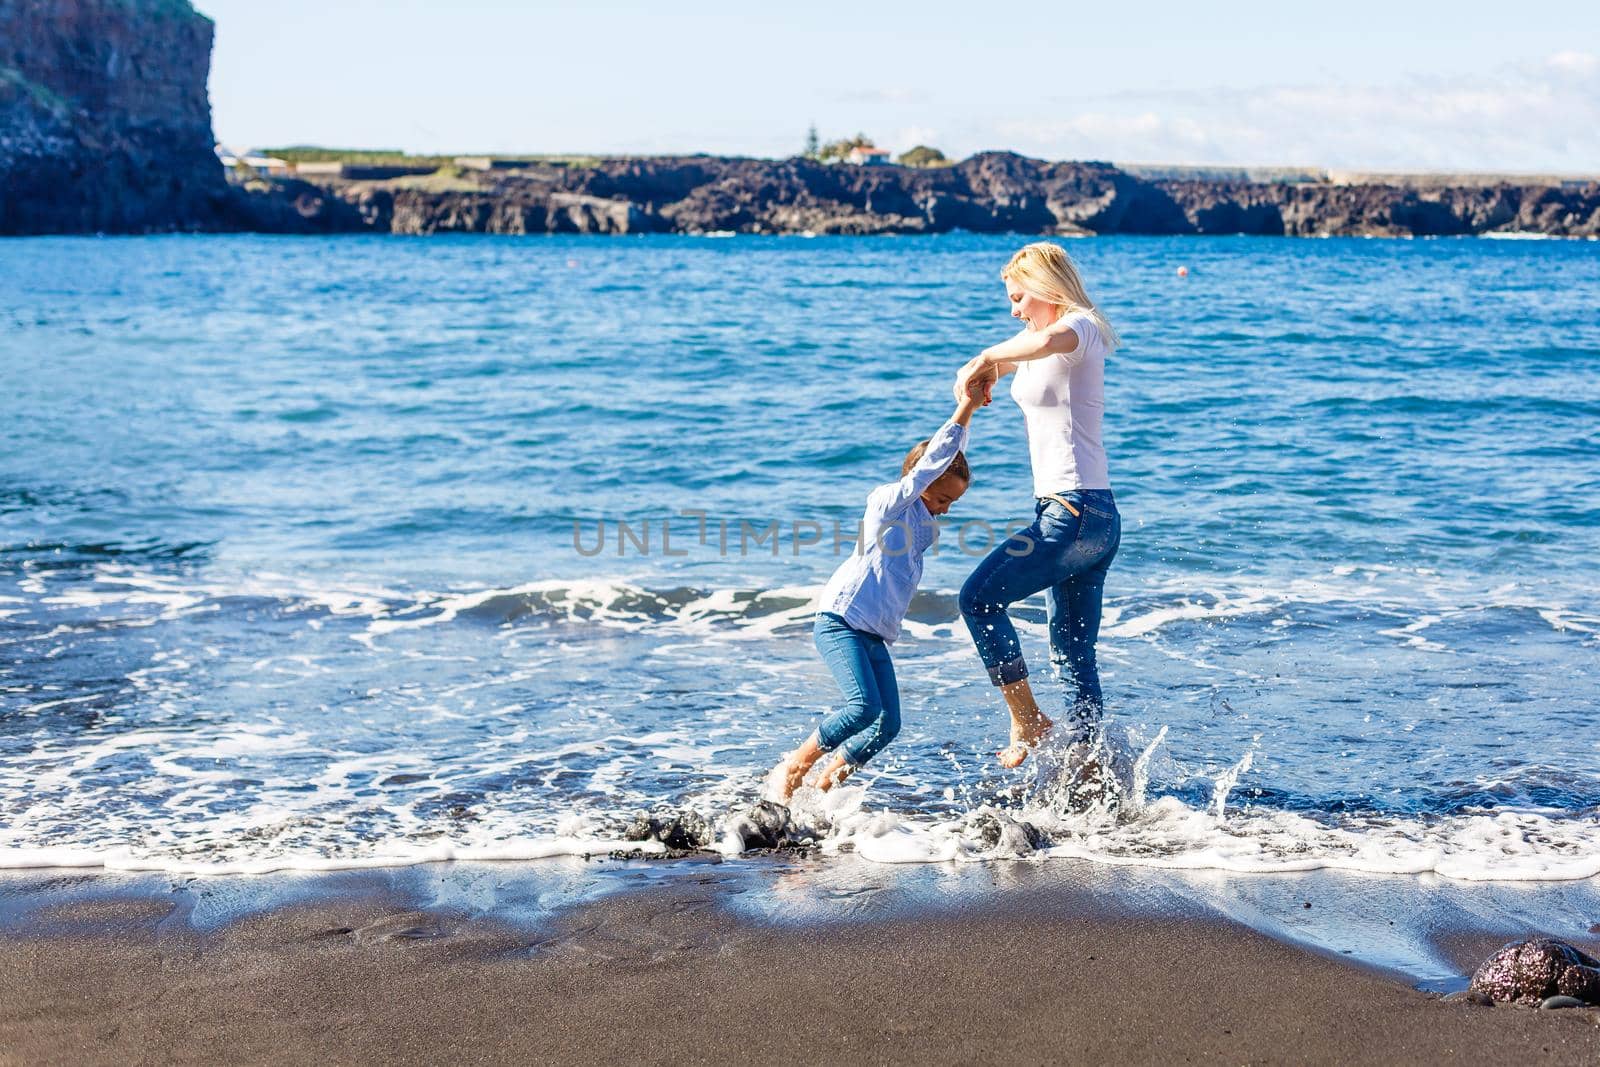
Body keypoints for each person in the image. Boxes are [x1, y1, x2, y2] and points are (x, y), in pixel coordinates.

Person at [954, 242, 1122, 769]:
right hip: (1086, 516)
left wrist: (986, 356)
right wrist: (981, 379)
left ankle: (1028, 720)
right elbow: (1027, 353)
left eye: (1019, 297)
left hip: (1072, 513)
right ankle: (1094, 774)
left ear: (1047, 289)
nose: (1014, 309)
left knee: (977, 600)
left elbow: (1048, 338)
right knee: (1073, 655)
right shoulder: (1040, 347)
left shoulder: (1081, 327)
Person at [769, 393, 979, 800]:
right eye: (941, 499)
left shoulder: (922, 523)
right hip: (841, 621)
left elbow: (948, 459)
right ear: (920, 482)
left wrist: (966, 432)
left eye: (953, 502)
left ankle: (828, 785)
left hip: (872, 634)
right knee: (863, 707)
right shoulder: (888, 505)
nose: (946, 510)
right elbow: (935, 459)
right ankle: (797, 765)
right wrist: (965, 409)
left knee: (888, 724)